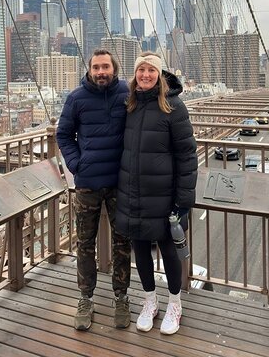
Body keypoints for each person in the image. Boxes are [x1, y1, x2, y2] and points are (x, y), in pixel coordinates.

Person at [115, 51, 198, 335]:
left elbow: (187, 156)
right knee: (140, 250)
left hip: (164, 195)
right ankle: (150, 300)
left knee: (169, 252)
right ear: (135, 74)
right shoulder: (130, 104)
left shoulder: (174, 106)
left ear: (160, 75)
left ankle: (175, 304)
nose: (146, 75)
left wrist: (183, 200)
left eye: (151, 70)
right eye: (141, 70)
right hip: (133, 193)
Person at [56, 49, 132, 331]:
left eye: (105, 67)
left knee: (122, 242)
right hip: (87, 184)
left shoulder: (127, 92)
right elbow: (63, 134)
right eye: (96, 67)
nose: (101, 72)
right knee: (85, 243)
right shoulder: (76, 98)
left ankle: (121, 297)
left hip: (119, 183)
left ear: (114, 69)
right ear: (89, 70)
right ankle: (85, 298)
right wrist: (76, 164)